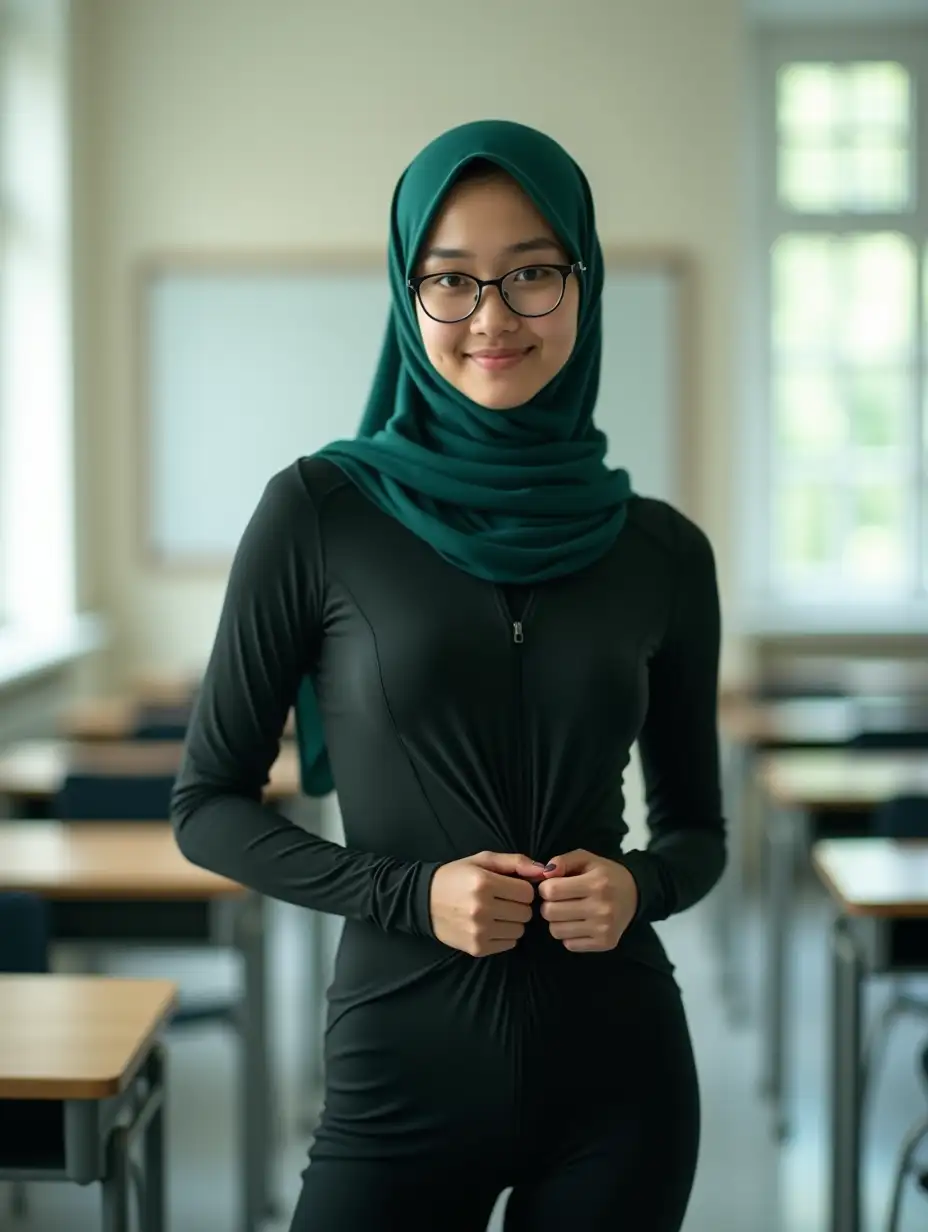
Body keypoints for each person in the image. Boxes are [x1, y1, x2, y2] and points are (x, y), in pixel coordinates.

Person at [171, 118, 726, 1232]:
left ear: (584, 276)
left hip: (621, 1082)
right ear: (405, 289)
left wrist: (639, 887)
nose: (491, 317)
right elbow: (207, 806)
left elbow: (697, 829)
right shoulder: (318, 512)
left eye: (531, 274)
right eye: (451, 279)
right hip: (397, 1072)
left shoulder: (661, 549)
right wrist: (408, 891)